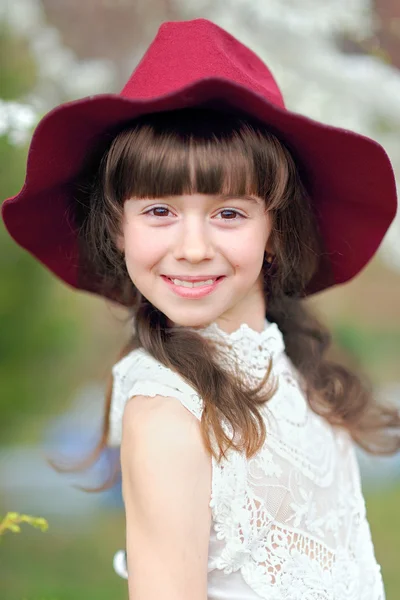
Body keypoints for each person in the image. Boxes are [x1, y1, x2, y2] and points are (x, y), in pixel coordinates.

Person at [2, 17, 399, 600]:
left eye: (229, 213)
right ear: (116, 230)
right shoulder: (170, 411)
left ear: (276, 229)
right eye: (159, 211)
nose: (192, 249)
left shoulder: (289, 365)